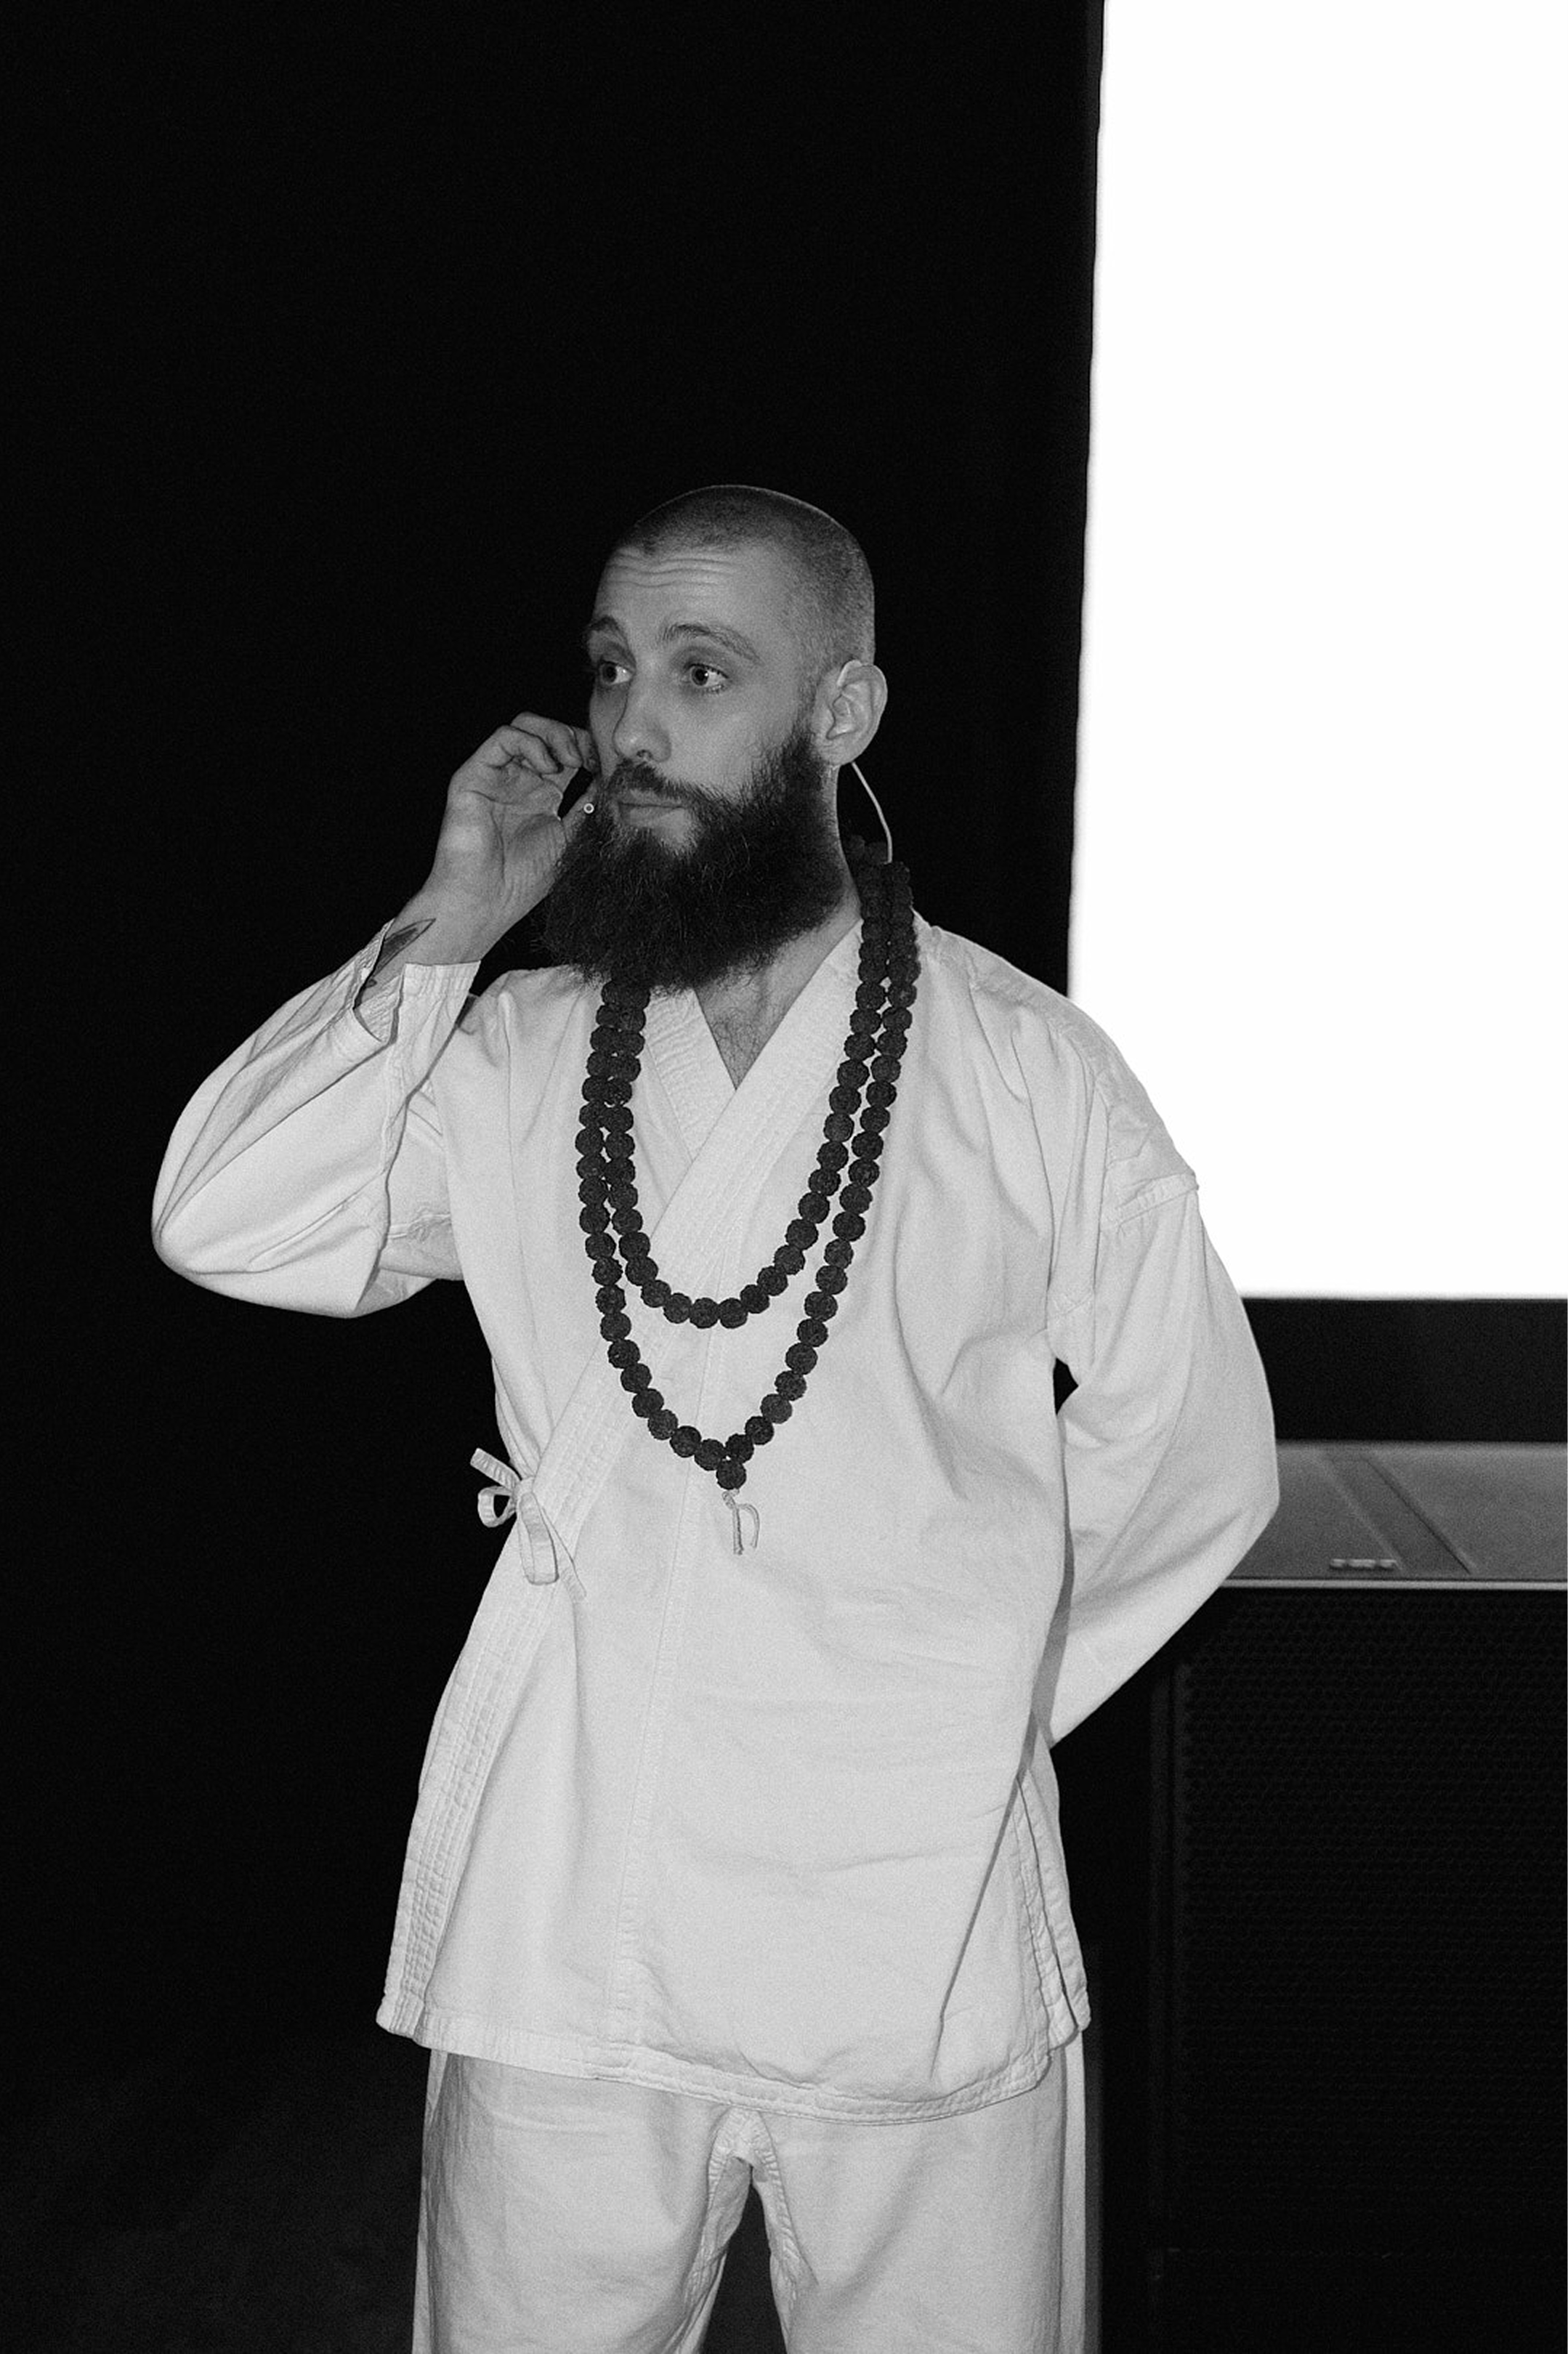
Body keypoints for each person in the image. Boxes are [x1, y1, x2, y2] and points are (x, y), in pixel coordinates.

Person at [153, 484, 1277, 2353]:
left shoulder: (1023, 1069)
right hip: (577, 1888)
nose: (630, 728)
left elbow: (1193, 1454)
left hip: (914, 1917)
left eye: (699, 671)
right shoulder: (519, 1046)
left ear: (840, 714)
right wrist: (452, 920)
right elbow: (226, 1219)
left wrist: (962, 1697)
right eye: (609, 670)